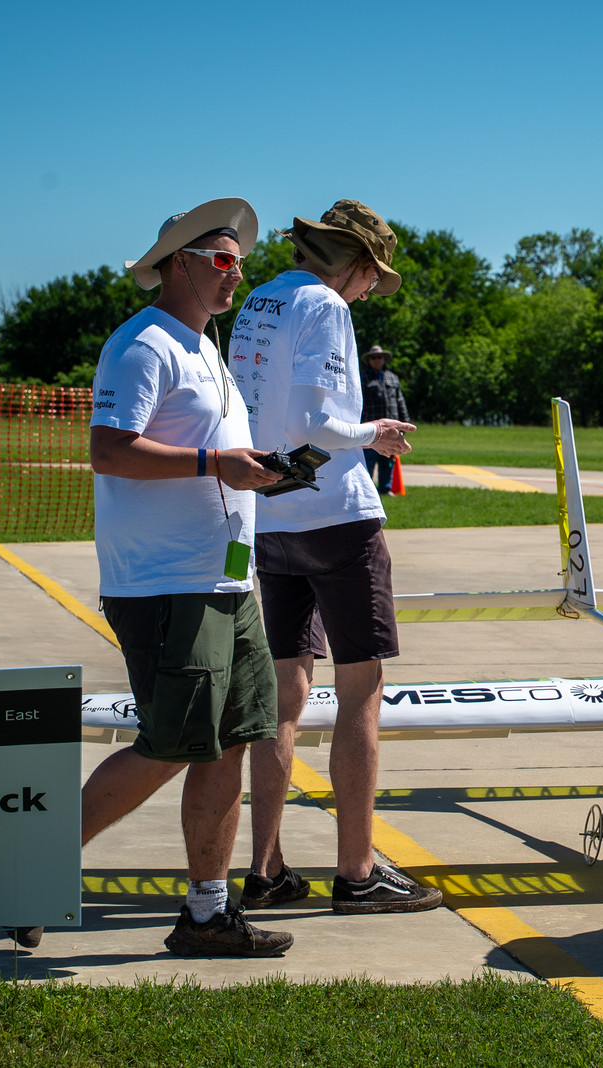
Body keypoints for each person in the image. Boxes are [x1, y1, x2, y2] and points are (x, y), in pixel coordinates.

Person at [82, 197, 292, 957]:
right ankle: (32, 865)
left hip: (225, 580)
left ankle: (208, 912)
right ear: (179, 263)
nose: (237, 274)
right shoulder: (143, 345)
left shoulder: (207, 348)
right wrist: (214, 464)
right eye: (223, 260)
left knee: (230, 742)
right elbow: (110, 450)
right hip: (165, 584)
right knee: (171, 743)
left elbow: (215, 457)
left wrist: (256, 470)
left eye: (240, 261)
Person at [231, 200, 439, 915]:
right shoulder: (326, 306)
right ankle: (357, 871)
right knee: (360, 691)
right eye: (371, 276)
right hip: (336, 518)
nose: (369, 292)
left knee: (283, 697)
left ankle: (265, 869)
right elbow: (320, 422)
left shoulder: (259, 299)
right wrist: (374, 432)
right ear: (351, 263)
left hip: (270, 515)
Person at [360, 345, 409, 492]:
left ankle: (385, 489)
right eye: (373, 357)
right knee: (368, 460)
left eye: (379, 357)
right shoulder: (362, 377)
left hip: (391, 427)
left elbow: (400, 400)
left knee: (388, 459)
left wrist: (404, 421)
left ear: (384, 359)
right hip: (370, 428)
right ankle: (366, 489)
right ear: (369, 360)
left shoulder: (392, 377)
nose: (377, 360)